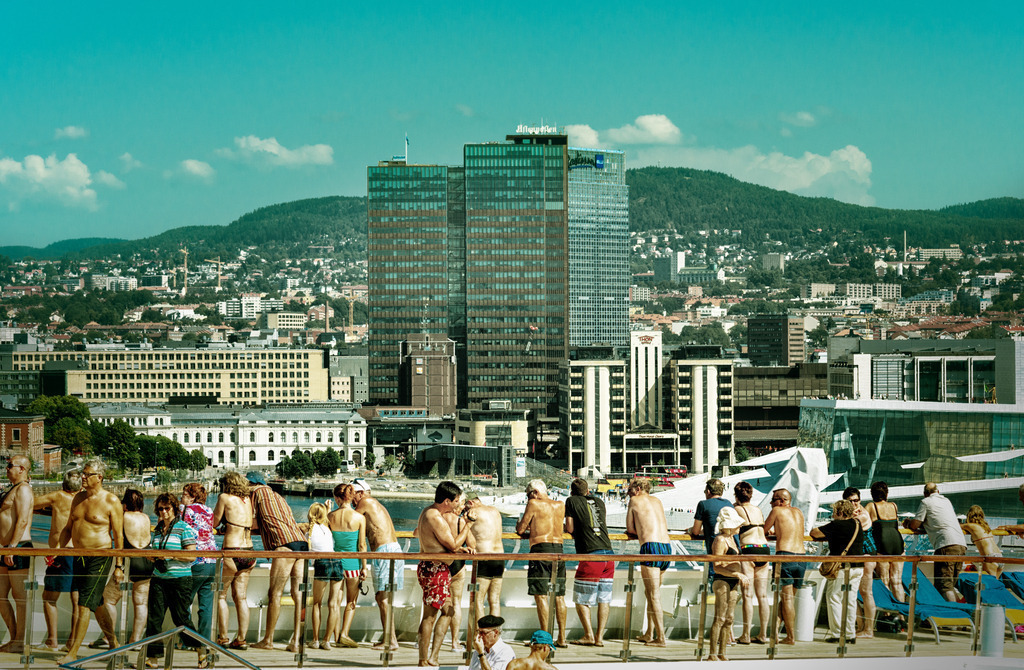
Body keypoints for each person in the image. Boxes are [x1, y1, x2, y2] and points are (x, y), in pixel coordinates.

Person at [56, 460, 124, 665]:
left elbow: (119, 537)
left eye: (87, 474)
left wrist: (119, 566)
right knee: (96, 603)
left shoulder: (111, 501)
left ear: (99, 477)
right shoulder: (77, 498)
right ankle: (114, 643)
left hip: (100, 557)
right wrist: (57, 551)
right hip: (79, 557)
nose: (82, 477)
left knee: (84, 603)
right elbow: (68, 528)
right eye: (82, 473)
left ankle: (73, 653)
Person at [247, 471, 309, 652]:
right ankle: (296, 642)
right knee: (299, 595)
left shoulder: (255, 493)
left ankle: (268, 640)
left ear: (251, 483)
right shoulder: (277, 496)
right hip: (301, 542)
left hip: (284, 545)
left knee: (275, 594)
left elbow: (253, 523)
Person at [415, 481, 473, 667]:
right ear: (447, 501)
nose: (458, 504)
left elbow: (444, 545)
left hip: (436, 568)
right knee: (430, 616)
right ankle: (425, 659)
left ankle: (432, 656)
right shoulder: (435, 516)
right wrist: (468, 525)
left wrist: (456, 552)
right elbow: (454, 544)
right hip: (434, 570)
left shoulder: (428, 512)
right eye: (456, 501)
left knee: (448, 610)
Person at [145, 492, 204, 668]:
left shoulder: (183, 527)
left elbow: (191, 556)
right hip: (159, 578)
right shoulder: (157, 529)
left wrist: (170, 556)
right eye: (160, 509)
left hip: (180, 580)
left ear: (174, 509)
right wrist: (153, 557)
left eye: (167, 508)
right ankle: (153, 658)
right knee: (154, 619)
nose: (163, 512)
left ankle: (201, 649)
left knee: (182, 619)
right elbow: (156, 549)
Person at [90, 489, 153, 650]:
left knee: (108, 600)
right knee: (140, 603)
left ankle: (108, 637)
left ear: (124, 504)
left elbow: (115, 535)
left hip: (128, 562)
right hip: (146, 561)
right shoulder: (146, 518)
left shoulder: (123, 517)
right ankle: (135, 640)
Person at [33, 469, 83, 651]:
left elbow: (31, 503)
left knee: (49, 597)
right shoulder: (84, 499)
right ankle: (71, 642)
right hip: (80, 552)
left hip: (61, 552)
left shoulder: (57, 497)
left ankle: (52, 640)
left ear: (64, 483)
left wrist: (49, 508)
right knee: (77, 600)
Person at [352, 478, 403, 651]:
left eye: (353, 495)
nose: (352, 500)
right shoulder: (375, 504)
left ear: (360, 493)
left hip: (384, 552)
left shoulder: (366, 501)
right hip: (392, 550)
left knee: (383, 599)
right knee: (384, 598)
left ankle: (391, 640)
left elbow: (351, 522)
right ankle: (391, 638)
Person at [516, 479, 567, 648]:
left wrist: (523, 525)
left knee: (541, 595)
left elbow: (521, 529)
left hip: (540, 550)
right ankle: (562, 638)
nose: (528, 498)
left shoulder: (534, 503)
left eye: (528, 494)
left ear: (535, 492)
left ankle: (545, 638)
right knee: (559, 596)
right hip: (559, 550)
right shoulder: (560, 504)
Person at [563, 478, 613, 647]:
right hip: (609, 554)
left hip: (591, 554)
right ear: (588, 491)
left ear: (572, 492)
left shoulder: (571, 501)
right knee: (604, 599)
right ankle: (599, 638)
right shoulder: (599, 501)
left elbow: (569, 528)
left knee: (581, 599)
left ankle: (588, 635)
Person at [210, 471, 254, 650]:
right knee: (241, 597)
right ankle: (242, 639)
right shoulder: (247, 499)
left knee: (221, 595)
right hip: (250, 551)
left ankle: (223, 638)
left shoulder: (224, 498)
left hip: (232, 550)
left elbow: (213, 522)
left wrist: (220, 528)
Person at [811, 499, 864, 644]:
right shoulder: (857, 523)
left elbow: (815, 532)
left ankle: (837, 633)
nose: (833, 516)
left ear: (840, 512)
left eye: (834, 513)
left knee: (834, 597)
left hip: (841, 567)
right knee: (850, 600)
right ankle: (850, 633)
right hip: (858, 566)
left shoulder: (836, 525)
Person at [625, 477, 670, 648]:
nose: (628, 492)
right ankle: (649, 633)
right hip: (666, 547)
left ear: (637, 489)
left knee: (653, 595)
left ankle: (661, 638)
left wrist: (640, 531)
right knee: (651, 593)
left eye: (630, 489)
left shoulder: (634, 500)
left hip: (650, 547)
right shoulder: (657, 500)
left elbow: (630, 528)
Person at [903, 482, 967, 602]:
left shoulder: (926, 502)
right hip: (961, 544)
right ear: (938, 492)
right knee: (950, 584)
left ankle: (955, 615)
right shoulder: (946, 501)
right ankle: (959, 611)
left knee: (944, 585)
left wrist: (907, 522)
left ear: (925, 494)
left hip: (946, 544)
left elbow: (915, 525)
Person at [762, 488, 805, 646]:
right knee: (788, 599)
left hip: (785, 556)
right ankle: (775, 633)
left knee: (786, 599)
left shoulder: (777, 511)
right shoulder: (799, 512)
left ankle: (790, 637)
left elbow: (763, 531)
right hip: (801, 557)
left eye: (773, 500)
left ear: (780, 501)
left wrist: (773, 531)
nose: (771, 503)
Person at [328, 483, 368, 648]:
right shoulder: (359, 518)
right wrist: (364, 567)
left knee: (335, 602)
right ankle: (344, 633)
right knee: (351, 602)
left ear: (337, 498)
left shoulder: (330, 516)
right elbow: (362, 546)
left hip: (336, 563)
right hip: (353, 564)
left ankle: (336, 635)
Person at [707, 507, 749, 661]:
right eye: (737, 524)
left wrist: (737, 575)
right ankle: (712, 654)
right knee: (719, 618)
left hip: (733, 581)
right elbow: (716, 565)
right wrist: (736, 573)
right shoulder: (720, 539)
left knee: (729, 618)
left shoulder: (732, 539)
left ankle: (722, 653)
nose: (739, 527)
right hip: (722, 580)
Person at [0, 454, 33, 654]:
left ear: (22, 468)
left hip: (17, 547)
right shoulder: (13, 489)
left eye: (10, 466)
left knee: (20, 597)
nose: (6, 468)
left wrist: (12, 547)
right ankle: (14, 638)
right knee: (1, 596)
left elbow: (21, 520)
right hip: (6, 549)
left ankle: (20, 641)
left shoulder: (24, 490)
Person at [733, 481, 770, 644]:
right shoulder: (758, 510)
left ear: (736, 495)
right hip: (764, 548)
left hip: (748, 549)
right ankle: (763, 634)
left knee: (747, 595)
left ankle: (746, 634)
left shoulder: (736, 510)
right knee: (762, 596)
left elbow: (731, 529)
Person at [435, 492, 471, 653]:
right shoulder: (460, 521)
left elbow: (417, 533)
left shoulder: (437, 517)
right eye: (461, 503)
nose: (462, 507)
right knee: (455, 603)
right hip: (457, 564)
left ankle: (423, 639)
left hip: (440, 563)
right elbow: (473, 544)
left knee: (433, 603)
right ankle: (455, 642)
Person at [182, 483, 217, 646]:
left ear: (192, 496)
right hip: (211, 559)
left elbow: (181, 528)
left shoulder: (186, 510)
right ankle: (204, 641)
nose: (181, 497)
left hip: (195, 561)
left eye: (183, 494)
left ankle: (188, 639)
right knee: (206, 606)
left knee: (183, 602)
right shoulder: (209, 510)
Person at [464, 494, 505, 622]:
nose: (464, 510)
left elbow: (464, 533)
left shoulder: (473, 512)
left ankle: (479, 636)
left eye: (465, 507)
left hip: (484, 558)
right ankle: (494, 636)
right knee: (495, 599)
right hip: (500, 557)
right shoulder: (495, 510)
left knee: (478, 599)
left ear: (470, 502)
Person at [307, 502, 341, 649]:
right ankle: (327, 641)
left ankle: (315, 640)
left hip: (322, 563)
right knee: (333, 604)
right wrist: (329, 509)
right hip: (337, 561)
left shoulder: (309, 531)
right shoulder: (328, 529)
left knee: (317, 603)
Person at [842, 487, 875, 639]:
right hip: (858, 555)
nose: (854, 503)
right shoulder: (853, 514)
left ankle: (868, 630)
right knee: (854, 593)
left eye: (856, 500)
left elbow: (846, 525)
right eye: (851, 501)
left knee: (866, 592)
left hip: (867, 555)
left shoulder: (861, 515)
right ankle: (861, 627)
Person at [864, 481, 905, 604]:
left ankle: (887, 613)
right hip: (897, 542)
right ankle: (901, 615)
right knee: (897, 581)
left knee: (884, 580)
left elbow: (862, 521)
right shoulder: (894, 505)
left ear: (873, 494)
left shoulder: (871, 506)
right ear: (886, 493)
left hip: (883, 543)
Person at [691, 479, 734, 564]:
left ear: (708, 491)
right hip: (731, 547)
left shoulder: (703, 504)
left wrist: (690, 530)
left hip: (716, 549)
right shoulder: (729, 503)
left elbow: (695, 532)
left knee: (715, 574)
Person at [962, 505, 1002, 577]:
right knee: (996, 584)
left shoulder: (971, 526)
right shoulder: (986, 527)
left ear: (969, 515)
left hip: (990, 557)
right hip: (1000, 556)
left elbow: (957, 526)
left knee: (989, 585)